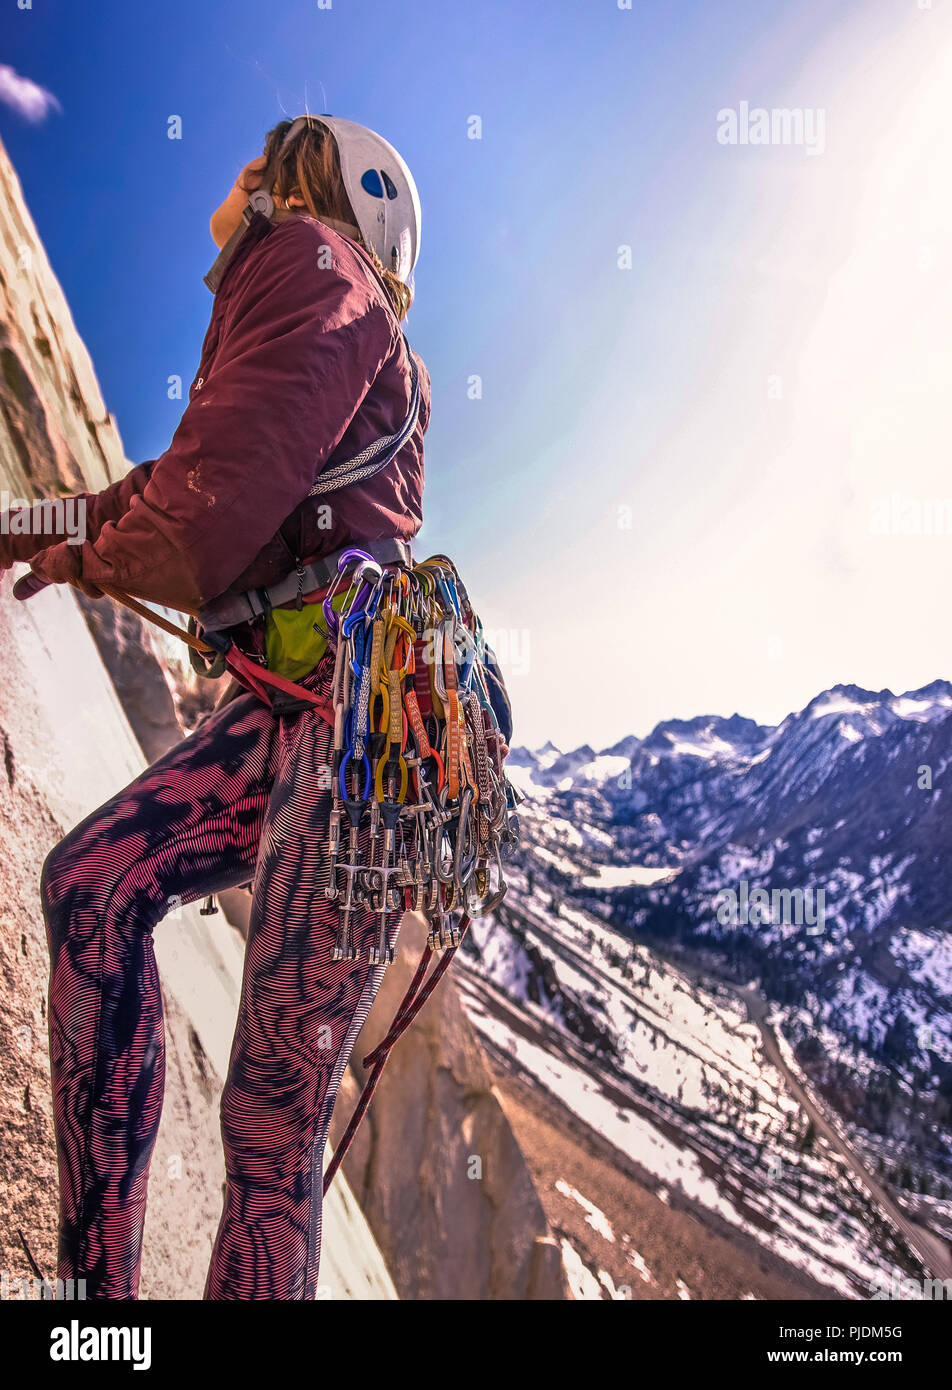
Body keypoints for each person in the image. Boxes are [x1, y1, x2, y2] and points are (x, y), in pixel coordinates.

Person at [0, 114, 431, 1300]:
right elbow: (171, 485)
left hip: (351, 726)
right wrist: (36, 528)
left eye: (260, 161)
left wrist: (80, 555)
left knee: (270, 1114)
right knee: (91, 886)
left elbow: (195, 525)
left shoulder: (312, 264)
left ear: (303, 183)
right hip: (317, 709)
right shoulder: (292, 289)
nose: (236, 175)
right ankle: (97, 1312)